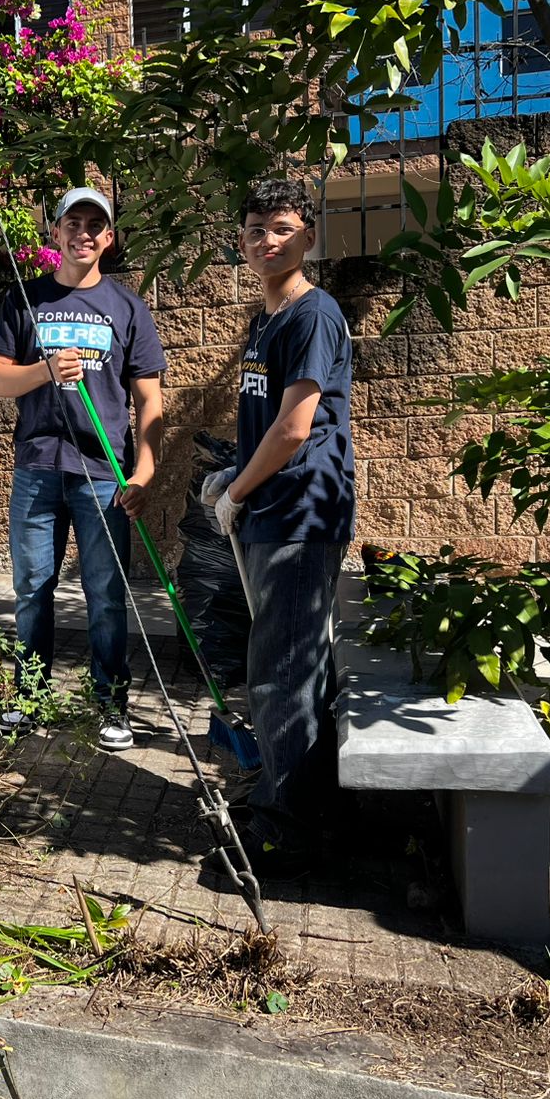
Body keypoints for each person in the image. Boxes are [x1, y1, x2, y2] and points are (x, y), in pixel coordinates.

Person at [201, 178, 355, 872]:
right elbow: (268, 422)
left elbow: (296, 428)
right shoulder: (267, 321)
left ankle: (285, 833)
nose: (268, 240)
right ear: (242, 241)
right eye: (256, 229)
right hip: (273, 508)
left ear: (308, 238)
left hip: (299, 512)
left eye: (283, 228)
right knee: (294, 667)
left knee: (281, 672)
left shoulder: (313, 315)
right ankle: (299, 803)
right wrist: (235, 473)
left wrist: (236, 490)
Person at [0, 186, 166, 751]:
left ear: (108, 238)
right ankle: (30, 696)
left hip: (104, 472)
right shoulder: (25, 299)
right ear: (56, 233)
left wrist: (143, 473)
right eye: (73, 223)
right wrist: (45, 369)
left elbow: (151, 403)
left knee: (105, 593)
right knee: (32, 588)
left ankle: (110, 704)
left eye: (94, 225)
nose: (83, 233)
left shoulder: (128, 308)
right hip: (37, 466)